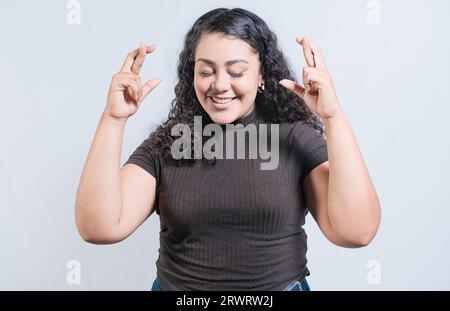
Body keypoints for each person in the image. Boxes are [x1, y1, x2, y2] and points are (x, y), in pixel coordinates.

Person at [75, 8, 381, 291]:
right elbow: (99, 227)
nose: (220, 85)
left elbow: (355, 232)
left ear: (262, 75)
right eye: (206, 71)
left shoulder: (293, 138)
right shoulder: (170, 142)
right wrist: (113, 119)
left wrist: (333, 117)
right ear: (191, 74)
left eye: (236, 72)